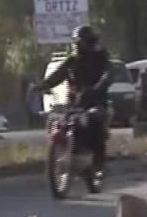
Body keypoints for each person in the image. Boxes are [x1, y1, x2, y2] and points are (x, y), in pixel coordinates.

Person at [41, 25, 113, 190]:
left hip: (96, 102)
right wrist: (42, 86)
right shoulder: (72, 61)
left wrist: (97, 88)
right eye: (76, 42)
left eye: (81, 42)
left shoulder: (101, 59)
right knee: (57, 121)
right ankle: (62, 152)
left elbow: (108, 75)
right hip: (73, 104)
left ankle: (98, 166)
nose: (78, 45)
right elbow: (58, 74)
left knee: (95, 124)